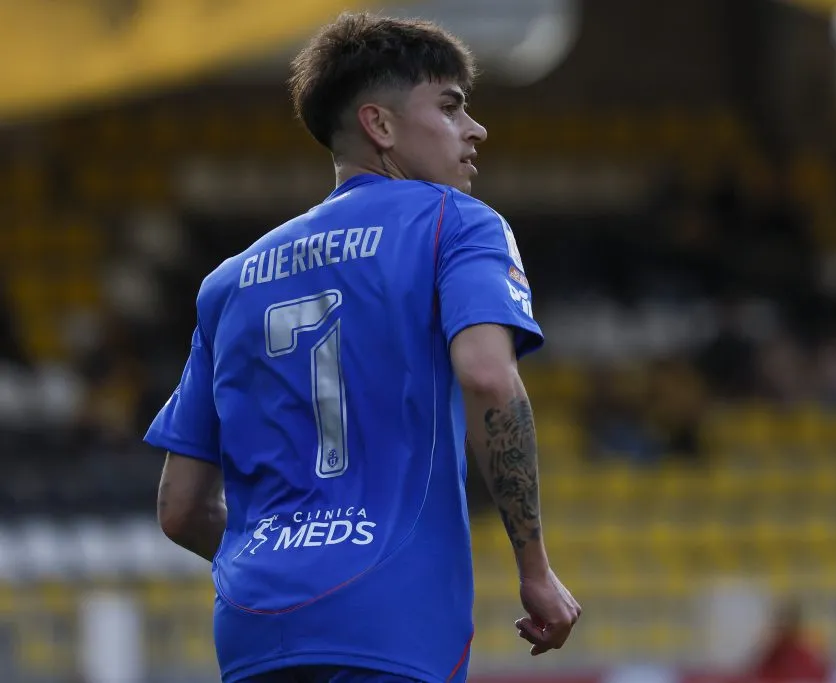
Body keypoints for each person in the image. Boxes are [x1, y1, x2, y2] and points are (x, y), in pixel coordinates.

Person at [144, 12, 581, 683]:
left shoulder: (228, 282)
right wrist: (535, 569)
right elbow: (490, 379)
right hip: (392, 621)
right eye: (451, 105)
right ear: (380, 125)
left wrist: (276, 567)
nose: (475, 129)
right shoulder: (457, 225)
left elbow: (180, 508)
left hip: (254, 626)